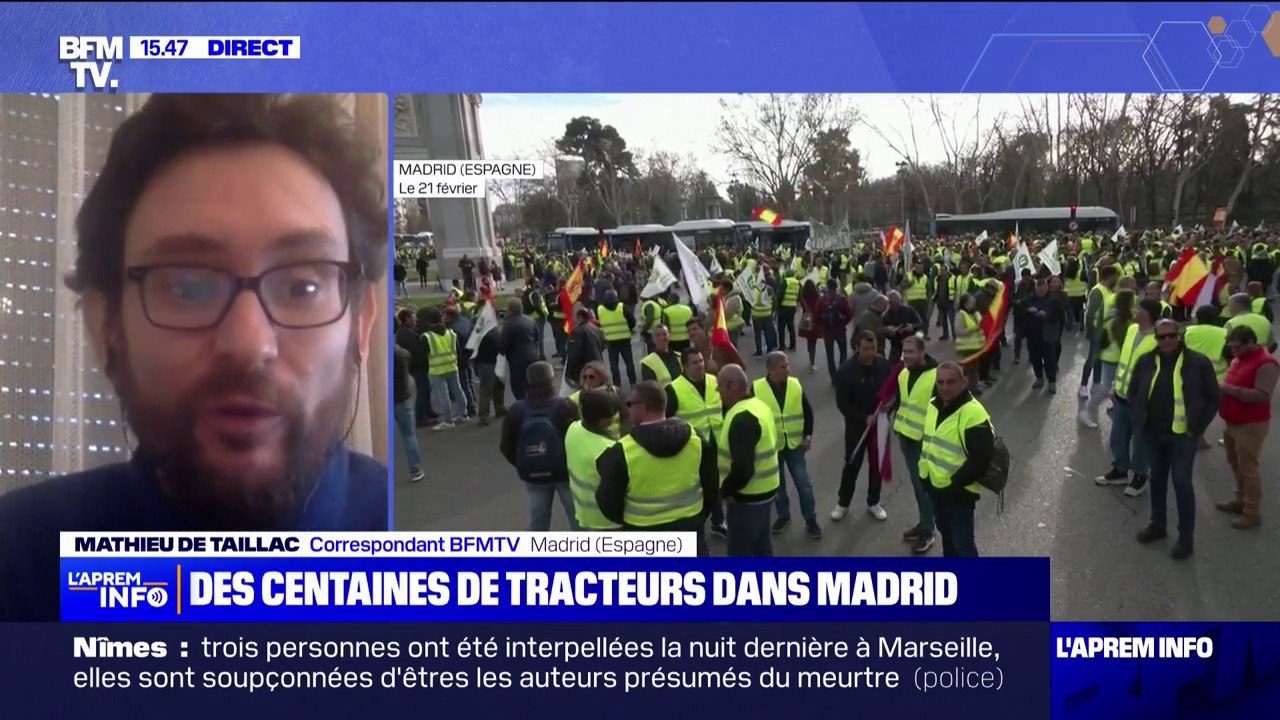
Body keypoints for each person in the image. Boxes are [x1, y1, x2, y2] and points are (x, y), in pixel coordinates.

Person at [1, 94, 391, 619]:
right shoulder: (18, 571)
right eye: (185, 287)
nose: (250, 344)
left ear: (360, 323)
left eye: (301, 286)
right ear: (106, 326)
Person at [1128, 320, 1220, 560]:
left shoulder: (1197, 363)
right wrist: (1139, 420)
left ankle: (1185, 539)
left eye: (1171, 336)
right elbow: (1134, 390)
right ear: (1156, 338)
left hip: (1183, 436)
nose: (1167, 341)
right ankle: (1158, 525)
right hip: (1153, 433)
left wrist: (1197, 428)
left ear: (1179, 335)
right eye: (1161, 337)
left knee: (1181, 483)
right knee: (1157, 479)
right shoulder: (1146, 360)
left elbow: (1213, 398)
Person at [595, 381, 718, 556]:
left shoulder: (622, 451)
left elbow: (608, 501)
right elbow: (711, 484)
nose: (627, 409)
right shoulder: (695, 438)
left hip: (643, 532)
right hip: (690, 526)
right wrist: (699, 514)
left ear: (643, 408)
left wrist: (628, 521)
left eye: (629, 404)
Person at [920, 362, 994, 558]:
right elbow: (929, 443)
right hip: (937, 488)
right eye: (940, 382)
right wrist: (925, 478)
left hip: (958, 494)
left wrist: (955, 485)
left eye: (951, 382)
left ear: (964, 382)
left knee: (963, 545)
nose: (945, 387)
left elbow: (981, 459)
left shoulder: (973, 414)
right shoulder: (934, 404)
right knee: (948, 539)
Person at [499, 362, 580, 531]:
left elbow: (506, 445)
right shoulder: (565, 406)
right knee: (576, 518)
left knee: (538, 520)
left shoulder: (517, 410)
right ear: (552, 381)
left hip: (534, 475)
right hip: (565, 473)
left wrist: (524, 461)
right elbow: (579, 439)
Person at [1095, 298, 1160, 497]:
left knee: (1140, 441)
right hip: (1122, 396)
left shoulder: (1158, 339)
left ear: (1148, 313)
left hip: (1143, 401)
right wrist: (1115, 387)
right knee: (1118, 437)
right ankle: (1120, 470)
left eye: (1139, 308)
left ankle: (1140, 476)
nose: (1134, 310)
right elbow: (1125, 359)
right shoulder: (1132, 330)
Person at [754, 352, 821, 539]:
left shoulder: (795, 385)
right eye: (783, 367)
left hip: (794, 445)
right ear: (771, 369)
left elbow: (808, 412)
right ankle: (783, 516)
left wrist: (808, 435)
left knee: (804, 484)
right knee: (778, 486)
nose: (787, 369)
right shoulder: (757, 389)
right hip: (771, 447)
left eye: (787, 365)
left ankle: (811, 519)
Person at [1216, 325, 1277, 529]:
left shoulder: (1266, 364)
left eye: (1237, 347)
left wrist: (1227, 389)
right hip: (1233, 421)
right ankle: (1240, 499)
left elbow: (1262, 395)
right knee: (1235, 463)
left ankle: (1252, 511)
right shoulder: (1239, 358)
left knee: (1248, 468)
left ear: (1251, 342)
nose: (1234, 351)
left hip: (1251, 425)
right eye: (1231, 347)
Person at [716, 364, 781, 556]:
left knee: (739, 552)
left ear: (731, 386)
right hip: (766, 490)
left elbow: (743, 469)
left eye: (719, 386)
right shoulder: (759, 406)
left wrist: (725, 490)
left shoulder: (741, 418)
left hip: (748, 497)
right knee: (762, 546)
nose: (717, 391)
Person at [832, 331, 892, 525]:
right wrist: (862, 418)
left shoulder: (884, 366)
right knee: (852, 464)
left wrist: (888, 407)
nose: (870, 353)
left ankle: (874, 502)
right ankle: (843, 503)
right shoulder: (845, 372)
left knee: (876, 466)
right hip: (857, 427)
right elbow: (842, 403)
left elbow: (893, 391)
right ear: (856, 348)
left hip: (880, 424)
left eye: (873, 348)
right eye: (865, 349)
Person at [666, 348, 726, 537]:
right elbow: (667, 420)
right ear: (684, 366)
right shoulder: (673, 389)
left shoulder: (714, 381)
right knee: (697, 487)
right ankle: (697, 523)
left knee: (716, 483)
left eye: (701, 361)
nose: (700, 365)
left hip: (716, 441)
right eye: (695, 362)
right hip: (692, 446)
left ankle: (718, 521)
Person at [890, 335, 940, 553]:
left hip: (925, 443)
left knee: (924, 489)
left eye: (911, 352)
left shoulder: (937, 376)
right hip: (906, 437)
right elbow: (903, 401)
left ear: (922, 352)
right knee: (918, 488)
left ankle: (928, 532)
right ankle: (924, 523)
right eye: (904, 351)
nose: (906, 356)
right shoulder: (903, 373)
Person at [564, 390, 622, 531]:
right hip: (606, 520)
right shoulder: (608, 449)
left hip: (584, 513)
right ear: (603, 421)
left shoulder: (573, 429)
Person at [1081, 288, 1135, 428]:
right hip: (1113, 358)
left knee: (1115, 388)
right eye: (1132, 302)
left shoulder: (1119, 317)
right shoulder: (1118, 321)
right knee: (1107, 389)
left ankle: (1117, 413)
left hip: (1113, 357)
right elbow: (1122, 342)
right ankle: (1087, 411)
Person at [422, 307, 468, 430]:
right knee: (458, 391)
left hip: (436, 370)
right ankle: (463, 414)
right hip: (452, 366)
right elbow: (458, 350)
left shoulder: (427, 337)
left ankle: (447, 421)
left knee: (443, 396)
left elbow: (423, 356)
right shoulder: (452, 333)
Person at [1080, 265, 1120, 399]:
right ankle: (1083, 385)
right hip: (1097, 330)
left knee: (1099, 358)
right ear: (1111, 276)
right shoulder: (1097, 291)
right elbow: (1090, 314)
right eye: (1116, 276)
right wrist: (1090, 331)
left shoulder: (1108, 289)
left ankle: (1096, 383)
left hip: (1104, 330)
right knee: (1092, 358)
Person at [1025, 276, 1069, 393]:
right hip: (1033, 334)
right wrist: (1029, 310)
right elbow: (1022, 309)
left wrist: (1047, 315)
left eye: (1042, 290)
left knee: (1049, 359)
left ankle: (1051, 381)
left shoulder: (1053, 299)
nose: (1040, 292)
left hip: (1047, 333)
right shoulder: (1031, 299)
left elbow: (1059, 314)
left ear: (1046, 288)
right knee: (1035, 358)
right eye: (1038, 290)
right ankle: (1039, 378)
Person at [392, 342, 425, 483]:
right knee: (409, 435)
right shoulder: (399, 353)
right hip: (402, 399)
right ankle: (415, 469)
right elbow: (407, 355)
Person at [568, 361, 625, 439]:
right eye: (585, 377)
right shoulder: (577, 397)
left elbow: (626, 419)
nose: (587, 381)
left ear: (602, 378)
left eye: (592, 377)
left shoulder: (615, 392)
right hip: (591, 440)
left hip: (615, 439)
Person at [499, 297, 542, 401]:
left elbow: (503, 344)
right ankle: (535, 402)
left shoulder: (508, 324)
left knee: (517, 386)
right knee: (532, 382)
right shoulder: (530, 320)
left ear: (509, 309)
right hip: (532, 357)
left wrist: (501, 351)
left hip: (517, 360)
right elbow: (537, 337)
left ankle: (524, 405)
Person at [473, 302, 507, 427]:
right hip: (487, 362)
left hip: (493, 361)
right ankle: (483, 415)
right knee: (486, 390)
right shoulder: (484, 329)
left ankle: (500, 407)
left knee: (498, 386)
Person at [597, 289, 637, 387]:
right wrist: (629, 328)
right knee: (629, 363)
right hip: (625, 339)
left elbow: (598, 322)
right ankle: (633, 383)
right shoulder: (622, 307)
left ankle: (617, 384)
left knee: (614, 365)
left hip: (610, 341)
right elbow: (632, 321)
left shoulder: (600, 309)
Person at [817, 278, 853, 381]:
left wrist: (822, 326)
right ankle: (841, 374)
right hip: (840, 330)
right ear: (836, 287)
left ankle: (833, 377)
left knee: (830, 355)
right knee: (843, 352)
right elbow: (849, 314)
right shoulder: (841, 299)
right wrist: (843, 323)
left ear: (827, 287)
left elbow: (817, 316)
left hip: (827, 332)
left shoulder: (822, 299)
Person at [564, 307, 607, 387]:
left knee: (585, 391)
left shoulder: (577, 332)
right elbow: (604, 343)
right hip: (598, 364)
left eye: (574, 316)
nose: (573, 319)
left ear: (580, 317)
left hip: (583, 369)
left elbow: (574, 354)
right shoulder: (595, 329)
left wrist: (569, 373)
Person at [954, 293, 985, 393]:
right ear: (965, 304)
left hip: (977, 347)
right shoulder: (960, 315)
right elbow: (958, 331)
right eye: (971, 302)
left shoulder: (976, 313)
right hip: (965, 348)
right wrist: (973, 329)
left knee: (974, 370)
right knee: (965, 370)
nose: (974, 304)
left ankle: (974, 387)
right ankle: (961, 388)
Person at [882, 291, 923, 364]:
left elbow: (920, 323)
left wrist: (912, 326)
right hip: (896, 345)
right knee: (893, 366)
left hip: (911, 342)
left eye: (898, 304)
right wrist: (890, 331)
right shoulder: (886, 315)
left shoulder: (908, 310)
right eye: (893, 304)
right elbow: (883, 332)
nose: (896, 307)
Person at [778, 270, 801, 351]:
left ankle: (782, 346)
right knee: (791, 326)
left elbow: (780, 295)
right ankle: (792, 345)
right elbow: (799, 296)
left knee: (781, 327)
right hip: (792, 306)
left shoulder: (785, 282)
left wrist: (777, 306)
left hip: (783, 306)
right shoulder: (798, 283)